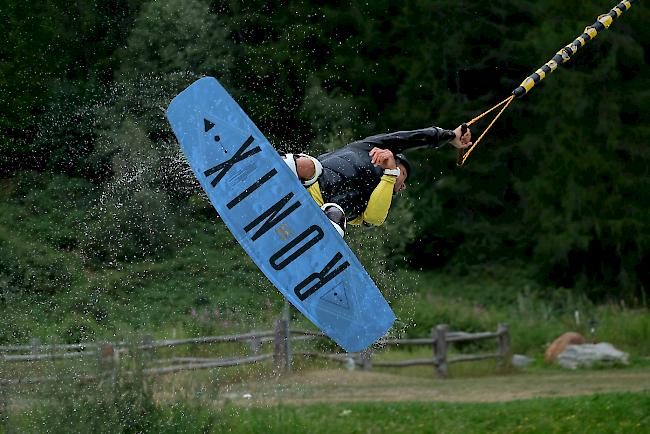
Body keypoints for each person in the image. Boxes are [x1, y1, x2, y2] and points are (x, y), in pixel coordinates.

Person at [282, 125, 472, 236]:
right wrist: (450, 135)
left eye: (401, 176)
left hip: (325, 214)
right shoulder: (370, 147)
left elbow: (374, 218)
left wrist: (390, 174)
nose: (399, 176)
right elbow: (410, 138)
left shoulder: (384, 191)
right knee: (307, 165)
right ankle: (263, 168)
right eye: (400, 171)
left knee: (336, 215)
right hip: (306, 184)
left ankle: (313, 236)